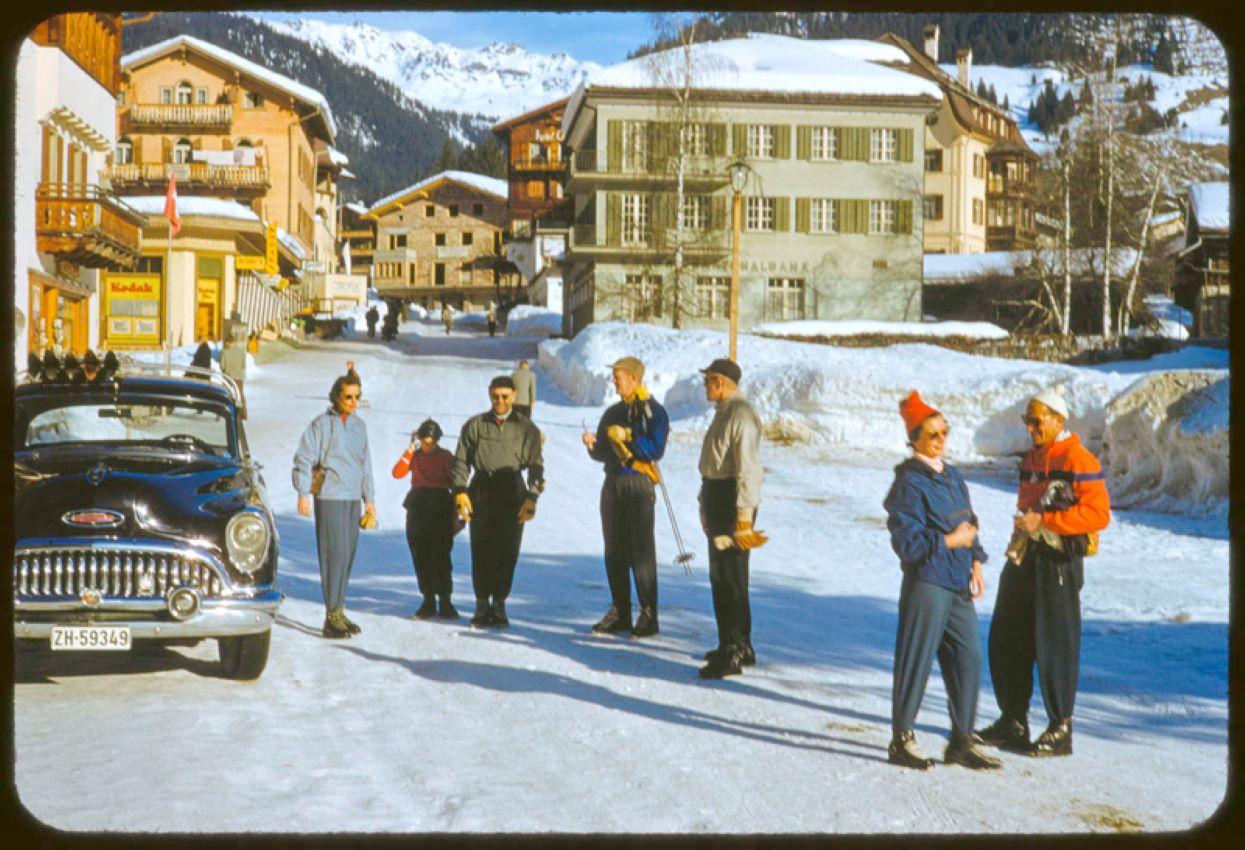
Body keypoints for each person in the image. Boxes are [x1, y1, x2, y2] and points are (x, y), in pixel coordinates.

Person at [977, 385, 1110, 758]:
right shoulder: (1033, 458)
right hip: (1026, 554)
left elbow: (1099, 514)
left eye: (1036, 421)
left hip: (1059, 560)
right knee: (1007, 632)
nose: (1030, 427)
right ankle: (1013, 720)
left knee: (1056, 641)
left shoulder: (1079, 459)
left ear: (1058, 419)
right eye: (1027, 421)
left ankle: (1060, 727)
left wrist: (1046, 520)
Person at [882, 391, 1001, 771]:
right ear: (914, 438)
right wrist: (951, 542)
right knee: (916, 658)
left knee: (968, 658)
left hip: (957, 580)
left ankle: (961, 740)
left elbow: (969, 521)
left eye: (944, 432)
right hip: (928, 581)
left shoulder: (952, 476)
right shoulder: (908, 483)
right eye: (932, 434)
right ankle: (902, 738)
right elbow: (907, 542)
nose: (940, 440)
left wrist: (976, 561)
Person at [582, 356, 670, 638]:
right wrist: (593, 446)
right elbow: (602, 453)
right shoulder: (611, 412)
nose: (614, 381)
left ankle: (648, 614)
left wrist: (629, 435)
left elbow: (656, 449)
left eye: (618, 376)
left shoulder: (654, 412)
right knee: (614, 549)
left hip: (639, 484)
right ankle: (620, 611)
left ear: (634, 379)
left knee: (641, 550)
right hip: (614, 483)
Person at [451, 375, 545, 629]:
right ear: (489, 394)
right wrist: (460, 491)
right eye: (496, 396)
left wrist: (532, 497)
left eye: (505, 396)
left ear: (514, 396)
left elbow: (536, 465)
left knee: (507, 549)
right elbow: (461, 460)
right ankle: (482, 604)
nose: (500, 401)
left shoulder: (526, 428)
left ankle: (500, 604)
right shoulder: (475, 425)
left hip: (512, 489)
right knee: (481, 548)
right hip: (482, 488)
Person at [696, 358, 767, 679]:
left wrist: (743, 519)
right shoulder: (724, 412)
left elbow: (748, 470)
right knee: (723, 576)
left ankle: (733, 650)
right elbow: (713, 465)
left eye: (708, 380)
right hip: (717, 498)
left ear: (721, 381)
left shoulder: (740, 415)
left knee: (730, 578)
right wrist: (703, 503)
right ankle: (738, 643)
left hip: (731, 502)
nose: (705, 386)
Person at [292, 372, 377, 639]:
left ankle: (339, 609)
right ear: (336, 397)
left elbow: (366, 465)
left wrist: (370, 500)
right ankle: (330, 616)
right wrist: (303, 492)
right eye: (347, 397)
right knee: (333, 554)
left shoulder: (359, 427)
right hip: (329, 496)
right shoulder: (321, 425)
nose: (352, 402)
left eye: (357, 398)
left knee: (347, 555)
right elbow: (304, 458)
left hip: (352, 497)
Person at [392, 418, 459, 620]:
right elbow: (397, 473)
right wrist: (410, 449)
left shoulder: (446, 456)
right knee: (420, 553)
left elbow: (456, 482)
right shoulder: (415, 456)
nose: (427, 445)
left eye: (431, 441)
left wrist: (458, 512)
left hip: (440, 505)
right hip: (418, 504)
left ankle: (445, 600)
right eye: (424, 441)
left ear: (437, 440)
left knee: (441, 554)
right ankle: (428, 599)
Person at [220, 336, 248, 419]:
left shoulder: (224, 352)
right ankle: (243, 414)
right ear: (234, 342)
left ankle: (222, 414)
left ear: (228, 342)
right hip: (239, 376)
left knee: (226, 394)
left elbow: (222, 366)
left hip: (228, 377)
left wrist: (225, 371)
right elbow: (244, 365)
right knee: (240, 395)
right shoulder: (241, 352)